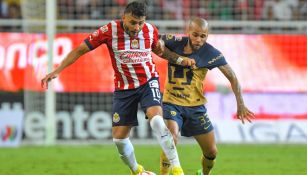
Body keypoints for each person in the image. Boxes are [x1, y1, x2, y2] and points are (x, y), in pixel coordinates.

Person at [41, 1, 195, 175]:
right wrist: (58, 70)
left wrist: (181, 60)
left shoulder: (150, 30)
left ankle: (177, 168)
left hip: (148, 82)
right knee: (119, 139)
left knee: (157, 120)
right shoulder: (109, 30)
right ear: (124, 18)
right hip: (124, 88)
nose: (137, 27)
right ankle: (138, 171)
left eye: (140, 23)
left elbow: (160, 52)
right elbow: (80, 49)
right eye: (132, 22)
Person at [158, 17, 255, 175]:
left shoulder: (211, 53)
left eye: (203, 36)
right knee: (172, 138)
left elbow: (233, 78)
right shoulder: (174, 41)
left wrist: (240, 104)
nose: (198, 39)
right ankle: (163, 173)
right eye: (195, 34)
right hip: (172, 102)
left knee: (211, 152)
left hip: (196, 107)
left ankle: (203, 174)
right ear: (188, 32)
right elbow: (156, 43)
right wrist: (176, 58)